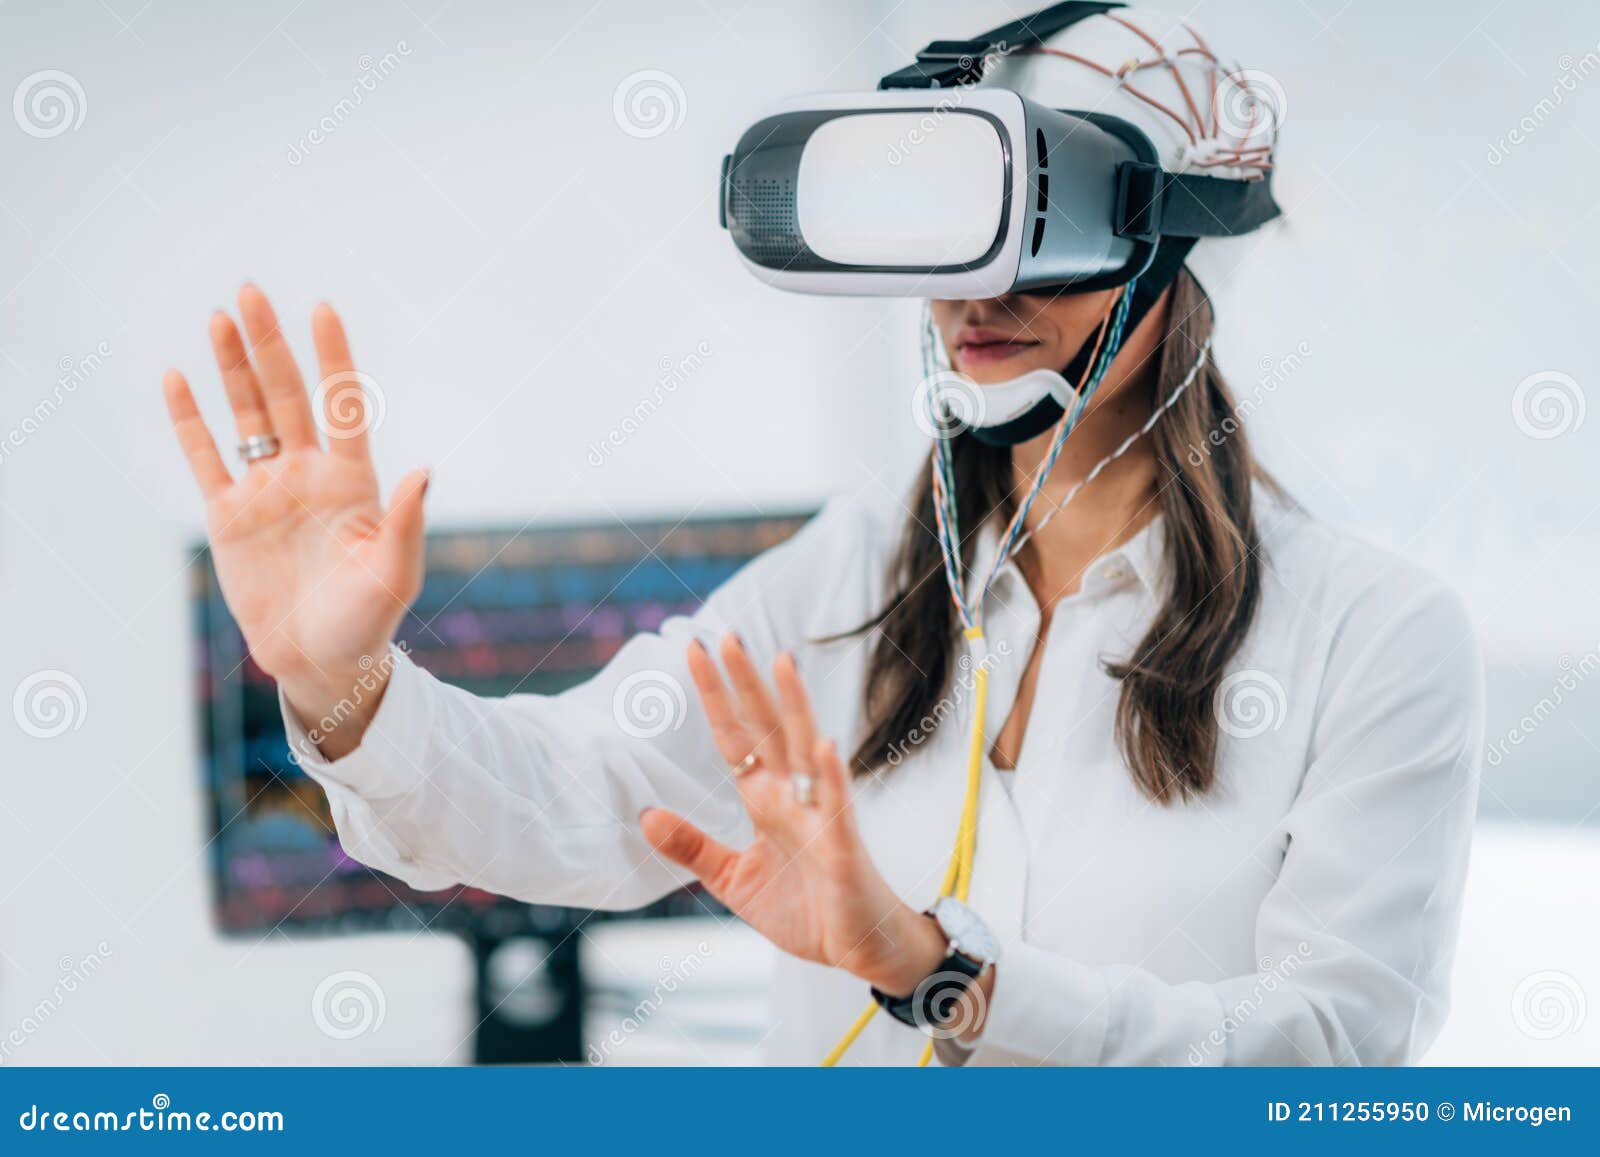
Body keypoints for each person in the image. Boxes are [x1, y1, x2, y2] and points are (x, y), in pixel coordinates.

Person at [160, 8, 1483, 1066]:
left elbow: (1336, 1057)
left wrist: (944, 974)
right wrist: (344, 689)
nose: (979, 289)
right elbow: (579, 789)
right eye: (950, 223)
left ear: (1176, 247)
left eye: (1045, 222)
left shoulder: (1378, 637)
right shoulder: (848, 575)